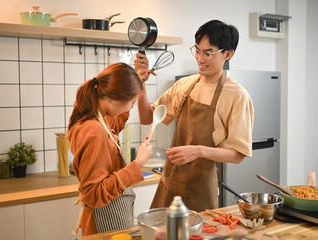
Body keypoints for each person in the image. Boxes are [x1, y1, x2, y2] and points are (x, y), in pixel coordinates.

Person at [134, 20, 254, 212]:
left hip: (201, 190)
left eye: (208, 53)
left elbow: (238, 154)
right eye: (197, 50)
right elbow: (147, 118)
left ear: (228, 54)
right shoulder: (185, 85)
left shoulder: (237, 95)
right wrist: (140, 84)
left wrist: (198, 151)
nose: (200, 58)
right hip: (169, 182)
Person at [67, 62, 153, 236]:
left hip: (111, 218)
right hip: (103, 223)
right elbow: (93, 194)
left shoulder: (97, 119)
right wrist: (138, 164)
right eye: (132, 102)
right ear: (115, 99)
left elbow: (117, 121)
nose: (131, 107)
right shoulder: (94, 130)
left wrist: (136, 82)